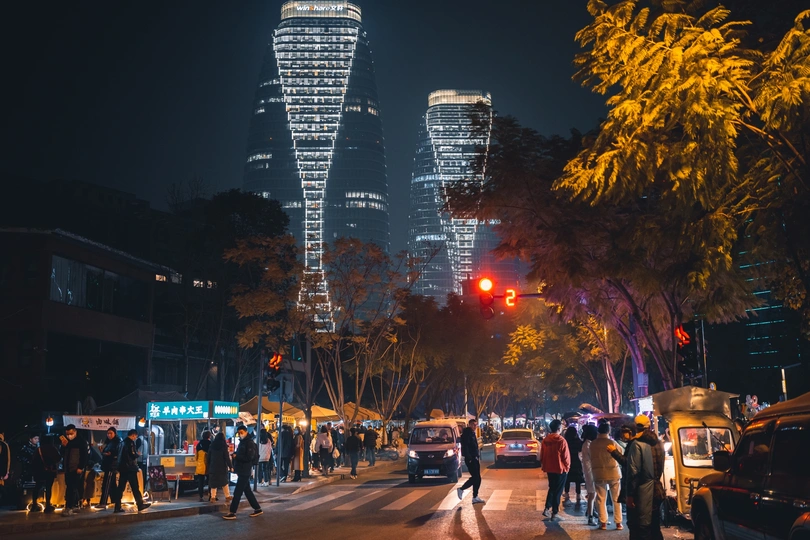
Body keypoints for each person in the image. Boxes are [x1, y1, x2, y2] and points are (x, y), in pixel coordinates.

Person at [610, 422, 653, 540]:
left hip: (638, 489)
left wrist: (614, 452)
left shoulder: (635, 445)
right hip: (647, 488)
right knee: (646, 524)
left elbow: (631, 468)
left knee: (635, 524)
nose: (622, 435)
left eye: (624, 432)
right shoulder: (649, 443)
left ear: (631, 432)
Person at [222, 426, 262, 520]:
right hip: (242, 469)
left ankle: (232, 512)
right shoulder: (242, 442)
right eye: (239, 433)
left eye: (241, 432)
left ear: (246, 432)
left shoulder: (249, 443)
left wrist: (237, 456)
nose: (240, 434)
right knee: (247, 491)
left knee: (238, 492)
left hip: (245, 470)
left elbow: (249, 457)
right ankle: (257, 509)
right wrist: (236, 454)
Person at [636, 414, 666, 540]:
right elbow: (661, 465)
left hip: (644, 490)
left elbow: (635, 470)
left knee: (643, 527)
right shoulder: (658, 443)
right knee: (655, 525)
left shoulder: (639, 444)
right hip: (657, 488)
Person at [592, 422, 623, 530]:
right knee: (616, 498)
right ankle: (618, 523)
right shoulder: (612, 442)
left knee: (601, 498)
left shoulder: (593, 444)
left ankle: (603, 523)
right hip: (613, 473)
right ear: (608, 431)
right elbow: (621, 452)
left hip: (598, 474)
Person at [540, 419, 571, 521]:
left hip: (549, 468)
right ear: (559, 428)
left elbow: (542, 455)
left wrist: (544, 465)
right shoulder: (561, 440)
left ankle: (547, 508)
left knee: (552, 488)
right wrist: (567, 468)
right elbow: (566, 457)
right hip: (560, 469)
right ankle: (555, 512)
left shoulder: (545, 440)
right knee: (558, 491)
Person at [114, 429, 150, 514]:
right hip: (130, 468)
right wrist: (138, 454)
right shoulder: (130, 443)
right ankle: (140, 504)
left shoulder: (122, 442)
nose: (135, 438)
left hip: (122, 468)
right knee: (135, 488)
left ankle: (117, 507)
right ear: (133, 435)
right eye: (135, 436)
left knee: (120, 488)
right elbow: (132, 454)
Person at [59, 425, 88, 516]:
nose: (69, 435)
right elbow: (62, 454)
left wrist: (81, 467)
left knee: (72, 487)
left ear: (75, 432)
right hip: (67, 468)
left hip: (76, 468)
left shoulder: (81, 442)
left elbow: (84, 456)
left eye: (71, 433)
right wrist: (63, 446)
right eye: (67, 434)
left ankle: (69, 507)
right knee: (70, 486)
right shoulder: (67, 442)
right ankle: (75, 505)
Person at [457, 419, 485, 504]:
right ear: (469, 425)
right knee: (475, 477)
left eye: (476, 425)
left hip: (474, 458)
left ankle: (475, 497)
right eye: (473, 424)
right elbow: (465, 447)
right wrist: (469, 458)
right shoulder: (467, 434)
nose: (475, 426)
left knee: (478, 478)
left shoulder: (472, 433)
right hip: (471, 459)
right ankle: (461, 489)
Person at [31, 434, 60, 513]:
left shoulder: (38, 449)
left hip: (39, 472)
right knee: (48, 488)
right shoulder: (53, 449)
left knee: (37, 487)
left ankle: (34, 505)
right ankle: (47, 506)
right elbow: (58, 458)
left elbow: (33, 461)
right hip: (50, 472)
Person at [95, 427, 121, 509]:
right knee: (112, 485)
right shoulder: (109, 442)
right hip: (108, 465)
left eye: (111, 433)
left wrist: (108, 454)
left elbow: (115, 453)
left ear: (115, 433)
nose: (109, 435)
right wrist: (102, 451)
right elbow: (106, 453)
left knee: (106, 485)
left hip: (111, 466)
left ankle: (103, 502)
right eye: (108, 433)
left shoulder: (117, 442)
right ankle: (115, 501)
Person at [207, 431, 232, 502]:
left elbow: (208, 457)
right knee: (224, 483)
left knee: (213, 483)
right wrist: (230, 466)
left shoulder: (212, 445)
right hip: (222, 467)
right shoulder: (224, 446)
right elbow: (226, 457)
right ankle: (227, 496)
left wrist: (209, 465)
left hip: (213, 467)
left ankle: (213, 497)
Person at [581, 424, 599, 525]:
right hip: (590, 471)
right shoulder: (589, 445)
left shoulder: (587, 443)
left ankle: (591, 511)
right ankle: (590, 516)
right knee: (592, 494)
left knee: (593, 493)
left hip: (589, 471)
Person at [563, 425, 584, 506]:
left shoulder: (565, 441)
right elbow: (581, 449)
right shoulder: (578, 441)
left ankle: (567, 493)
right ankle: (578, 494)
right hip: (576, 461)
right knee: (577, 479)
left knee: (567, 479)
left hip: (567, 461)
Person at [195, 431, 211, 501]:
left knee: (201, 482)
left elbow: (196, 457)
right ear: (209, 436)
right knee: (210, 481)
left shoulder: (199, 444)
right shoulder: (210, 444)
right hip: (208, 465)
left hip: (200, 465)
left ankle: (200, 496)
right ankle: (211, 495)